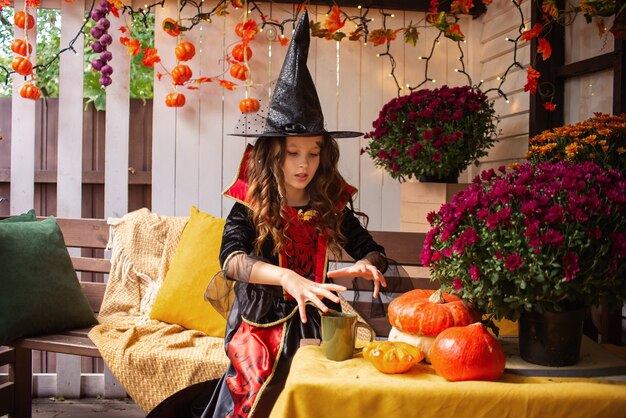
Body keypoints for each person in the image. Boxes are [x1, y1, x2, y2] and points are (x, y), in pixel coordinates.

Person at [148, 10, 388, 418]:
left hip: (316, 320)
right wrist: (287, 277)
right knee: (258, 386)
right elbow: (232, 259)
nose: (303, 164)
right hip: (260, 324)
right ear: (272, 153)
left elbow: (371, 248)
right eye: (292, 152)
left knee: (333, 390)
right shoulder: (251, 202)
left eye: (313, 153)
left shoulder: (328, 202)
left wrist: (367, 264)